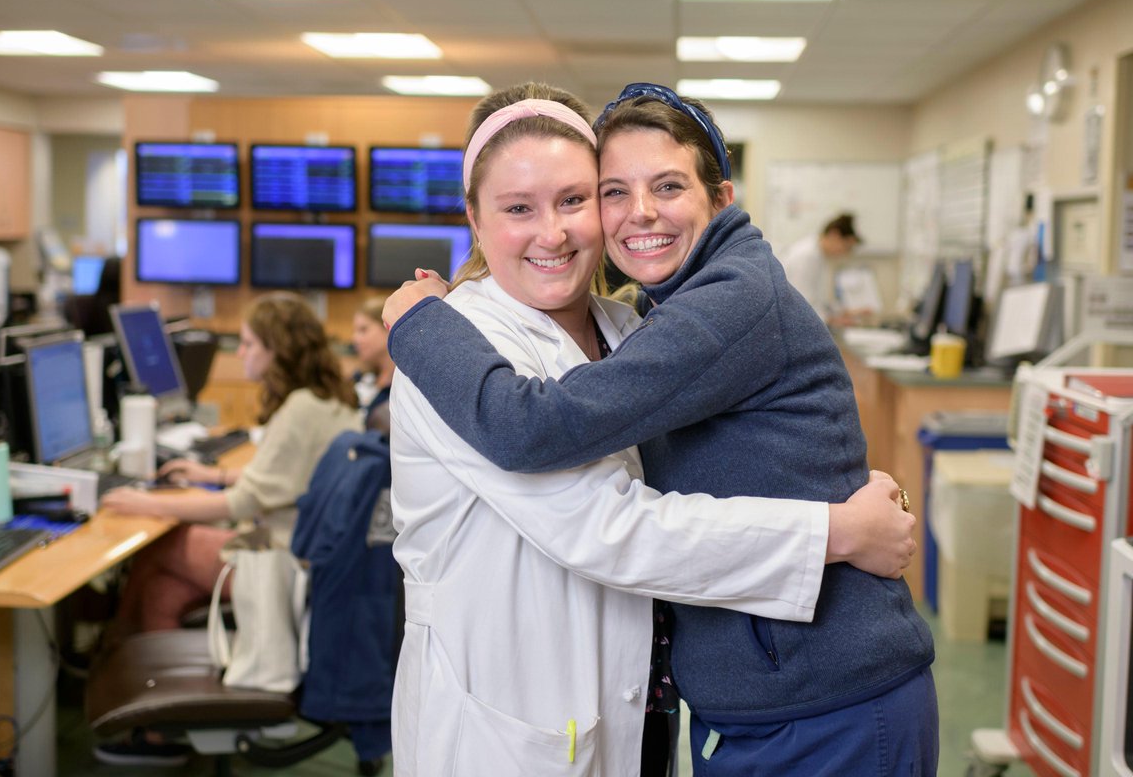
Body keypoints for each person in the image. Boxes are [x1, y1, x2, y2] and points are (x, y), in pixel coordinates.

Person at [383, 83, 937, 775]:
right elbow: (609, 528)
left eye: (575, 199)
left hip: (723, 698)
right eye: (518, 208)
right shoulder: (450, 354)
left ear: (721, 197)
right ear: (474, 216)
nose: (552, 232)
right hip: (506, 717)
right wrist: (840, 531)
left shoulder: (637, 325)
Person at [101, 292, 360, 636]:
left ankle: (110, 644)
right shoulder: (325, 399)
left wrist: (146, 502)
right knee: (160, 591)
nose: (240, 353)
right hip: (304, 554)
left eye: (248, 344)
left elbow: (242, 503)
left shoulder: (300, 410)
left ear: (277, 349)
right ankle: (134, 660)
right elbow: (287, 475)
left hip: (280, 562)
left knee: (160, 546)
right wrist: (212, 474)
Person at [778, 212, 869, 325]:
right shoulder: (806, 256)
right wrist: (833, 320)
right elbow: (801, 305)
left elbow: (819, 300)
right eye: (846, 247)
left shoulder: (819, 255)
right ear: (834, 235)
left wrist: (843, 312)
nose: (845, 253)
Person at [350, 296, 395, 436]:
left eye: (363, 330)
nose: (355, 339)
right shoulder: (360, 378)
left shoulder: (404, 385)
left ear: (387, 327)